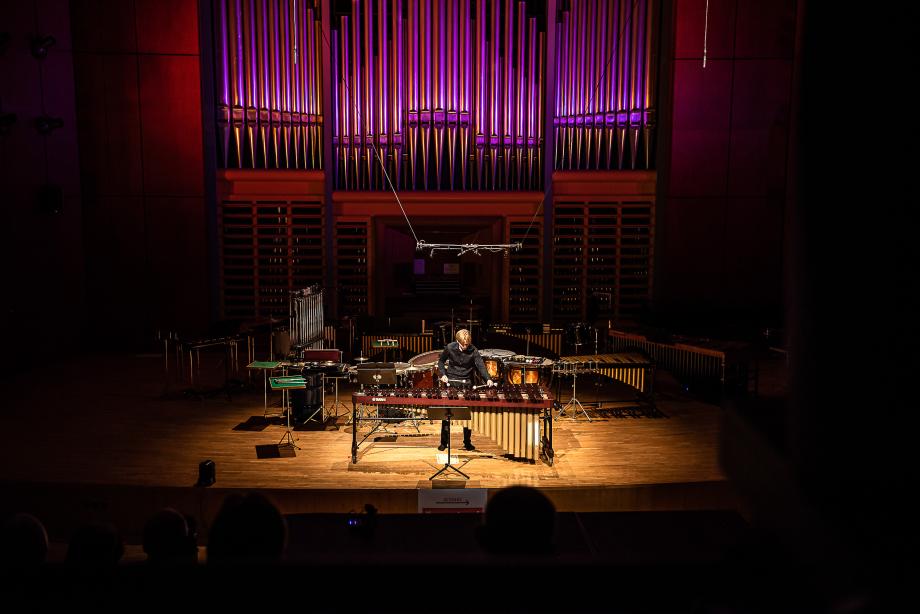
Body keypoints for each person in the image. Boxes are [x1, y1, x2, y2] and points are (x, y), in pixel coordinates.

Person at [436, 328, 495, 451]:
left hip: (467, 383)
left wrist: (488, 379)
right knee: (447, 413)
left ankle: (467, 442)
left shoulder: (473, 350)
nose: (465, 346)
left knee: (467, 415)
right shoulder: (450, 347)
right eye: (463, 344)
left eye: (467, 344)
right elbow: (441, 362)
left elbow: (481, 366)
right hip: (451, 382)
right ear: (457, 341)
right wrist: (443, 375)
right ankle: (444, 442)